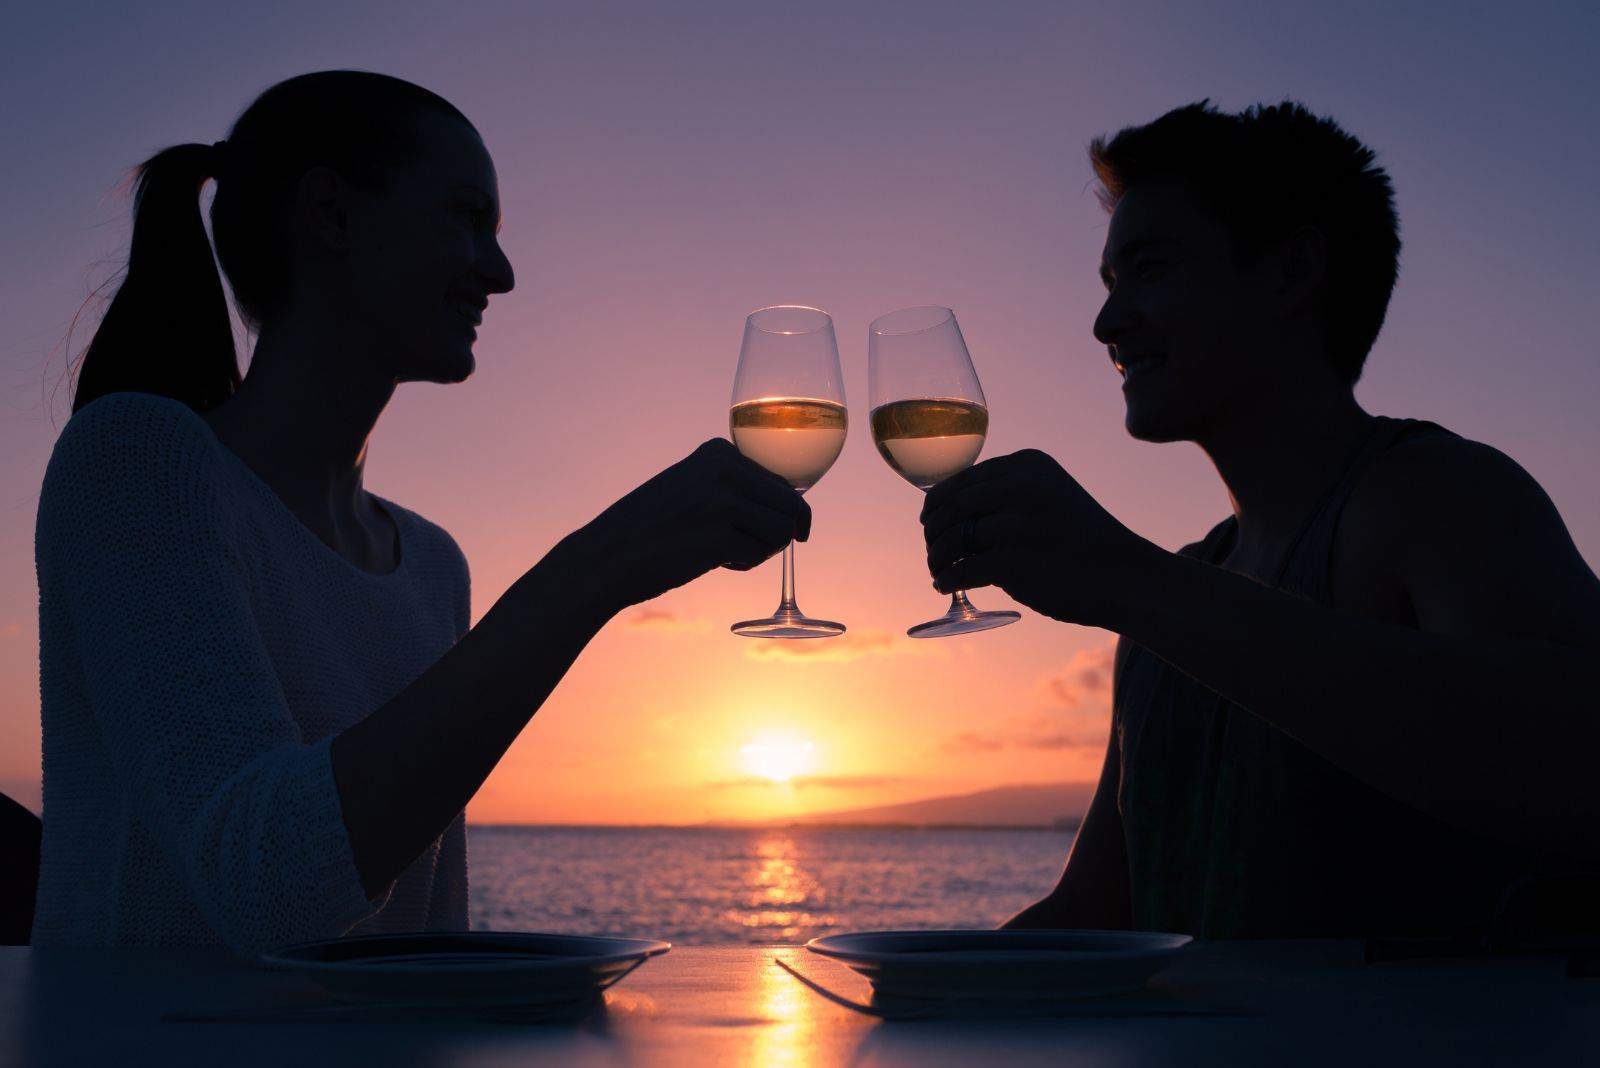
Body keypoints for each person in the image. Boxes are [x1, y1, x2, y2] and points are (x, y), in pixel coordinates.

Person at [33, 71, 808, 953]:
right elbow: (266, 881)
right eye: (466, 216)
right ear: (330, 213)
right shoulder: (138, 462)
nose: (501, 271)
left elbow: (428, 944)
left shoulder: (432, 564)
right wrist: (593, 572)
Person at [922, 101, 1600, 939]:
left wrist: (1128, 580)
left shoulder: (1440, 496)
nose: (1106, 322)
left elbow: (1574, 765)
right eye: (1109, 282)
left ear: (1289, 275)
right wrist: (897, 989)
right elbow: (1098, 916)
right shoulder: (1165, 601)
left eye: (1151, 269)